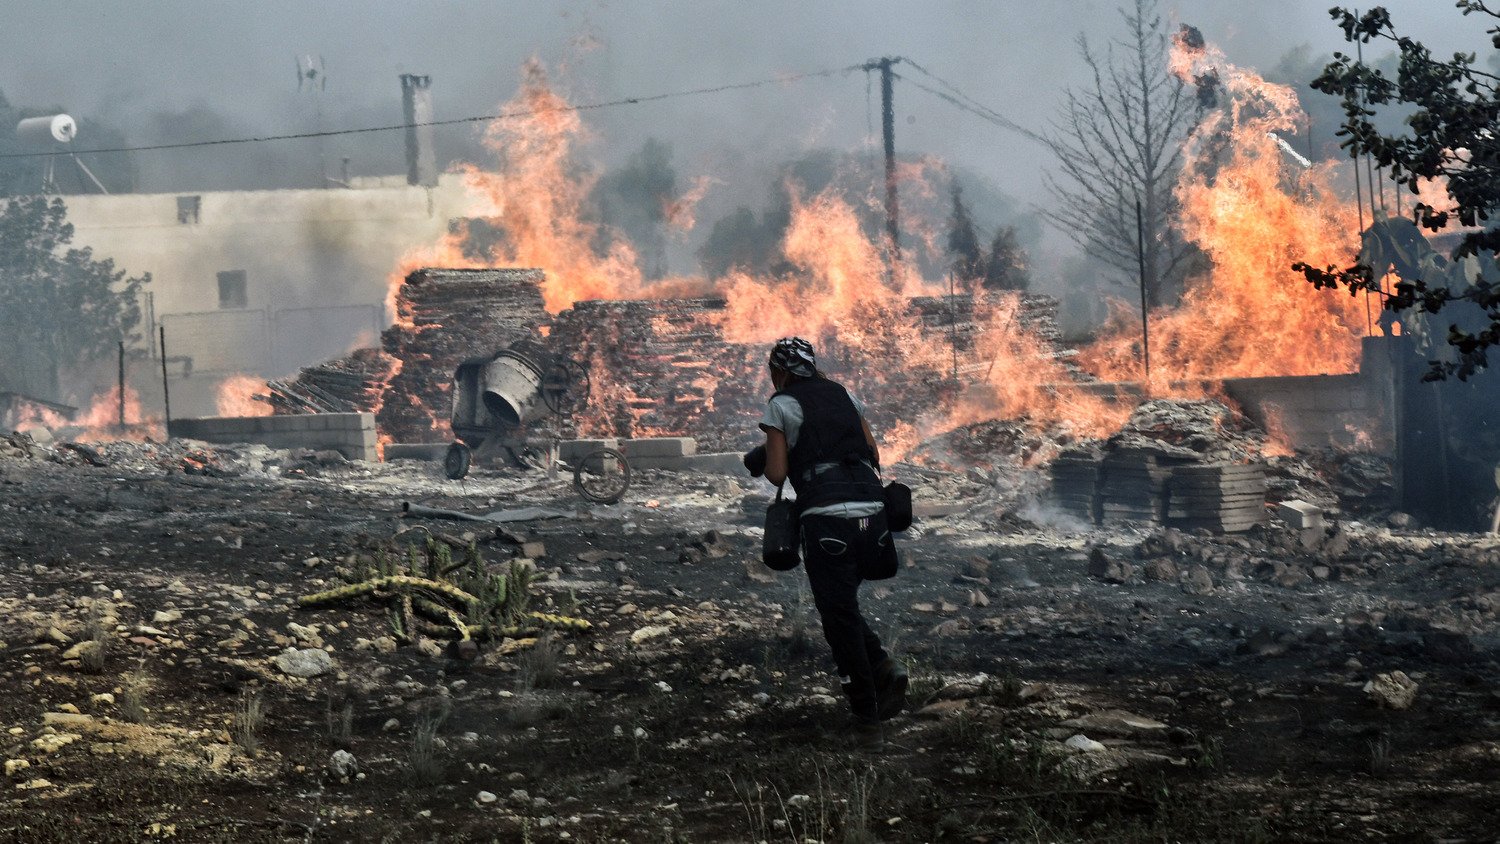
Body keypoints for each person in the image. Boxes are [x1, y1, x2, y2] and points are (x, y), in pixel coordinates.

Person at [744, 337, 907, 749]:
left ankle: (867, 722)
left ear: (779, 371)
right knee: (843, 607)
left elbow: (778, 475)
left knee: (837, 620)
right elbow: (871, 451)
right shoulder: (845, 395)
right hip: (874, 515)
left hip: (827, 520)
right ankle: (884, 668)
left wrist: (773, 449)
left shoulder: (781, 405)